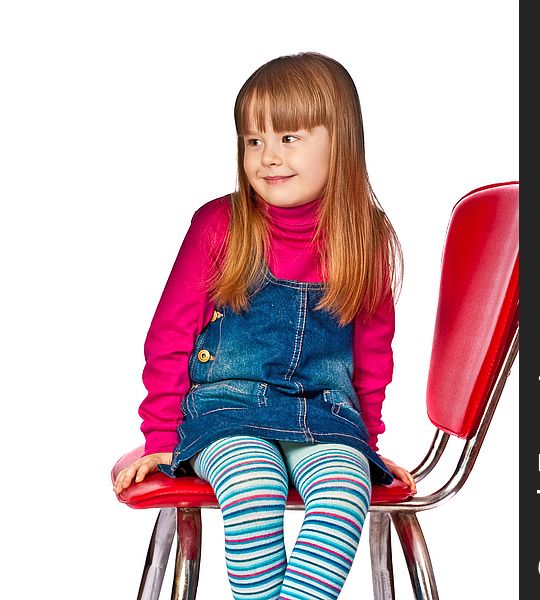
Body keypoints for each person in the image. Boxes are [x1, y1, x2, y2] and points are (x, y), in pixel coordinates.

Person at [114, 52, 416, 599]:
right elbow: (169, 336)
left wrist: (366, 442)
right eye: (254, 141)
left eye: (289, 138)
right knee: (254, 485)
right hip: (227, 411)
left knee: (345, 489)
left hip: (325, 413)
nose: (268, 157)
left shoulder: (366, 239)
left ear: (340, 144)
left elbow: (373, 356)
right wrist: (159, 435)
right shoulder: (219, 225)